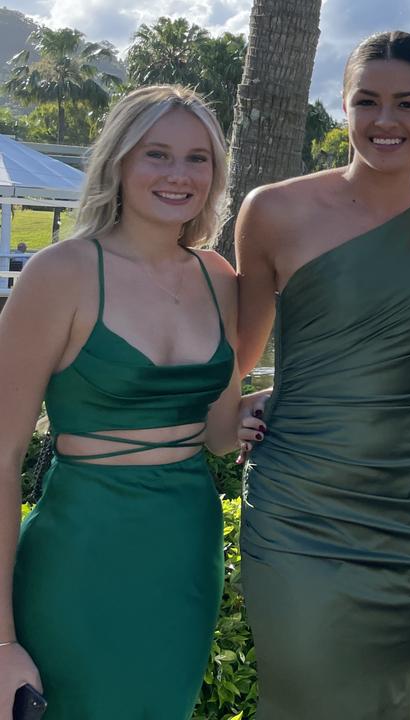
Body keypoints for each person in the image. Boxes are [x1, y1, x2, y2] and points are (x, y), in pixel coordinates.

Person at [232, 31, 410, 718]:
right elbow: (237, 355)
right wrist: (232, 407)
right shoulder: (273, 212)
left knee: (386, 697)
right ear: (343, 108)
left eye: (406, 103)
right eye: (366, 101)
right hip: (295, 503)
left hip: (405, 511)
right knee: (304, 690)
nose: (385, 121)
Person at [0, 85, 241, 719]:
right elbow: (1, 462)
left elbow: (218, 432)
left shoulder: (220, 279)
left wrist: (293, 403)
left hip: (185, 552)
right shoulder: (60, 274)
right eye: (156, 154)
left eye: (198, 159)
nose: (178, 174)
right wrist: (0, 642)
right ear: (118, 162)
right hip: (81, 553)